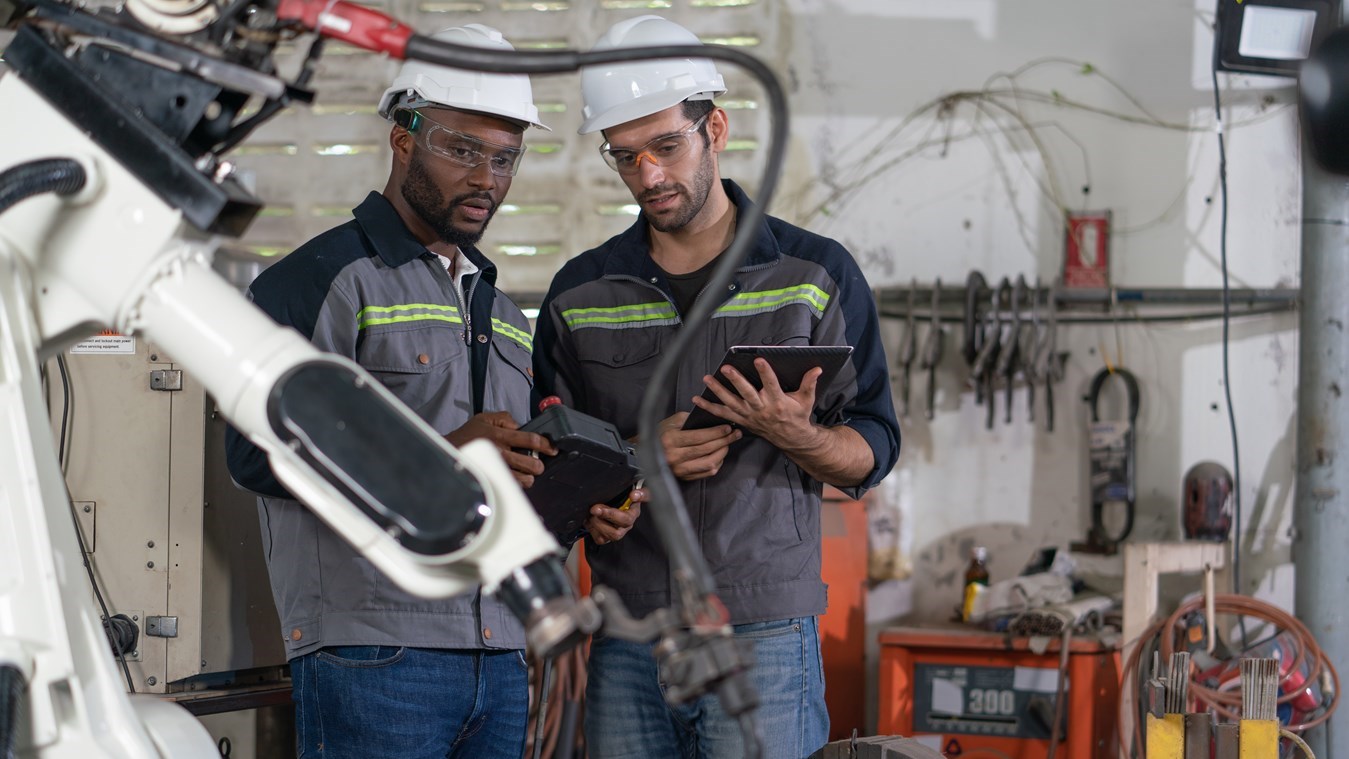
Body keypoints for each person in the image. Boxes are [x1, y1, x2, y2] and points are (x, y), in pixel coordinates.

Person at [224, 24, 637, 758]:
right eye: (463, 150)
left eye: (504, 158)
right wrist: (443, 453)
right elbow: (255, 455)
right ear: (403, 139)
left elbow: (506, 485)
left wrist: (580, 506)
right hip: (374, 649)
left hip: (500, 653)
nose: (486, 178)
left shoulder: (503, 313)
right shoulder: (316, 281)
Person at [532, 15, 901, 759]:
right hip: (628, 634)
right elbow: (546, 469)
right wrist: (629, 466)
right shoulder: (579, 292)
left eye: (666, 146)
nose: (648, 177)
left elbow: (875, 445)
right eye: (625, 156)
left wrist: (797, 434)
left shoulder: (814, 273)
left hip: (765, 633)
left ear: (716, 129)